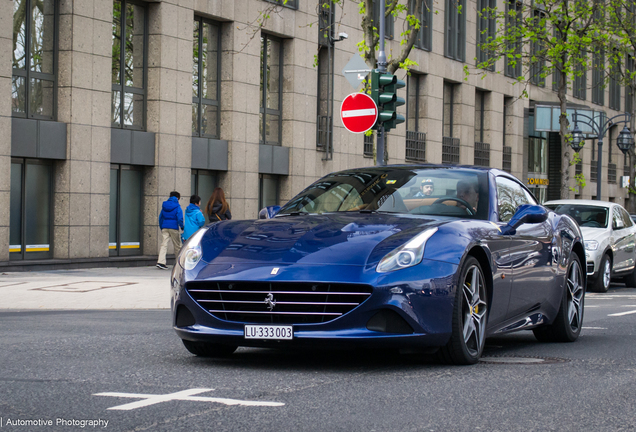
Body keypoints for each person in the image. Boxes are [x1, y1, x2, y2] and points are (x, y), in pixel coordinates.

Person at [157, 191, 184, 270]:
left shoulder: (164, 205)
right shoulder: (177, 206)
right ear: (177, 198)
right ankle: (179, 262)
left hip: (165, 226)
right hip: (173, 228)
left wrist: (162, 226)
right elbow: (180, 218)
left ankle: (161, 262)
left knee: (164, 244)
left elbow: (160, 217)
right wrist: (182, 227)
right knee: (177, 246)